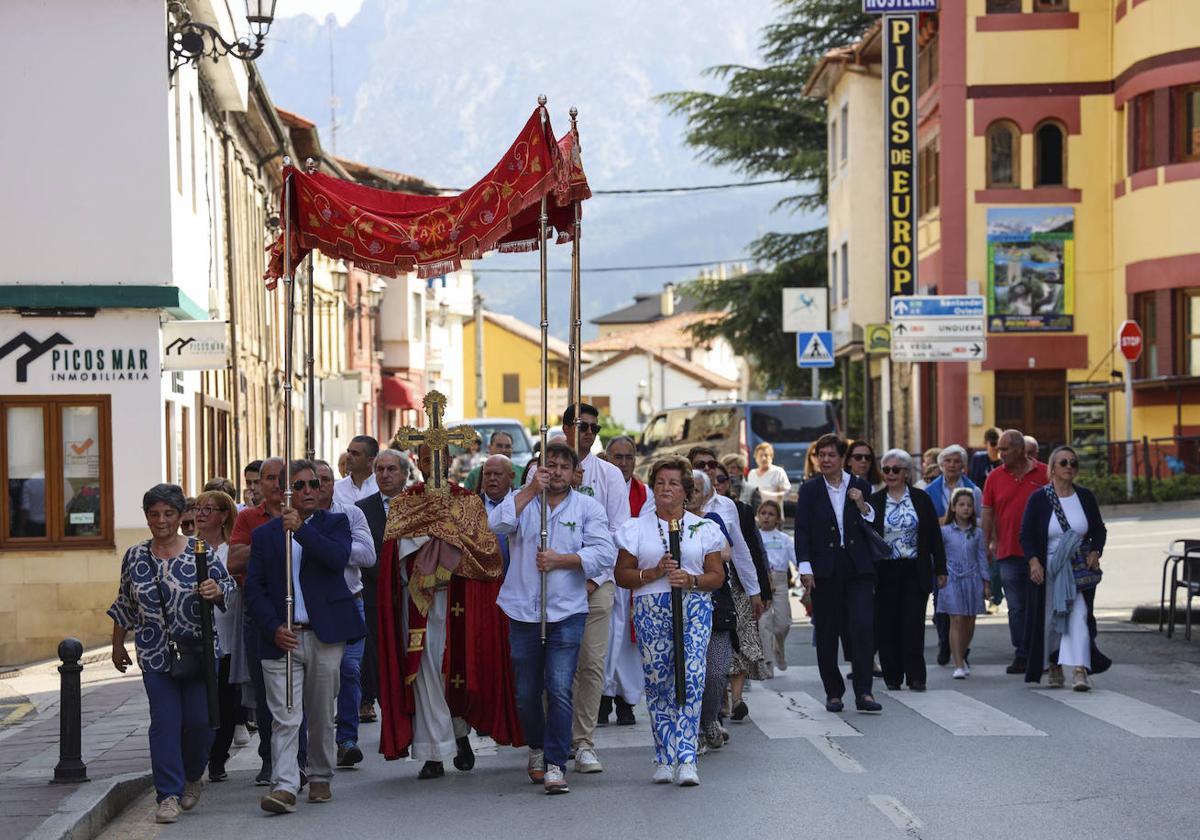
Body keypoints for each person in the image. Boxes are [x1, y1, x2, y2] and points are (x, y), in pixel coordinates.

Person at [375, 443, 520, 779]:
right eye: (428, 460)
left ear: (451, 462)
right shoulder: (405, 502)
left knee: (452, 670)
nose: (434, 465)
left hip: (459, 598)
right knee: (424, 671)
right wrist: (427, 539)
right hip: (418, 598)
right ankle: (434, 753)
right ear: (420, 463)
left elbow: (486, 554)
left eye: (441, 459)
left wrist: (446, 537)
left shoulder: (468, 501)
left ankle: (458, 731)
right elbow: (393, 551)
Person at [490, 442, 614, 794]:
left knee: (560, 686)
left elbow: (604, 552)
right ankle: (537, 746)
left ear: (575, 473)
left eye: (563, 466)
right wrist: (530, 489)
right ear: (537, 469)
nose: (556, 471)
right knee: (526, 692)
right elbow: (495, 524)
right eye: (550, 465)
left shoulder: (588, 507)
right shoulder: (525, 502)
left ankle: (557, 762)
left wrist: (564, 560)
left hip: (567, 610)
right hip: (523, 610)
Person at [244, 459, 365, 814]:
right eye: (299, 487)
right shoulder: (265, 535)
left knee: (320, 713)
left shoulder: (335, 524)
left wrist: (302, 531)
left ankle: (320, 775)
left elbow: (336, 558)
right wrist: (273, 627)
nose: (309, 491)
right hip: (283, 638)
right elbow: (255, 589)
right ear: (286, 493)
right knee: (285, 715)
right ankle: (284, 785)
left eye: (314, 484)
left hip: (324, 635)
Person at [108, 483, 233, 824]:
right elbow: (124, 602)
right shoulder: (135, 556)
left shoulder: (200, 550)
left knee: (200, 722)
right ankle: (168, 795)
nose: (161, 521)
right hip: (154, 654)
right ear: (147, 517)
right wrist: (118, 644)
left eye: (168, 514)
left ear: (180, 517)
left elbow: (230, 589)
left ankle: (193, 775)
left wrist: (216, 589)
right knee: (165, 723)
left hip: (199, 651)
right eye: (154, 514)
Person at [614, 458, 726, 786]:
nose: (666, 488)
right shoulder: (637, 527)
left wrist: (690, 580)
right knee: (659, 682)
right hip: (651, 607)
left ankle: (687, 757)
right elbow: (622, 575)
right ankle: (664, 755)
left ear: (685, 490)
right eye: (660, 482)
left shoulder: (703, 528)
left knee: (691, 678)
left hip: (693, 608)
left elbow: (716, 576)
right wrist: (652, 573)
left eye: (673, 483)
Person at [529, 402, 627, 774]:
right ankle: (548, 740)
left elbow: (618, 532)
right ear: (566, 427)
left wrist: (591, 577)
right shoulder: (542, 470)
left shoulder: (610, 475)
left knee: (590, 664)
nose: (587, 433)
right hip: (550, 582)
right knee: (552, 667)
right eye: (581, 426)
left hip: (596, 581)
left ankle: (583, 740)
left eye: (593, 428)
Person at [794, 434, 881, 714]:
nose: (826, 460)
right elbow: (802, 532)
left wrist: (861, 503)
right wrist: (805, 568)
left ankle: (864, 692)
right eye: (822, 455)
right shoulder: (809, 490)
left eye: (832, 455)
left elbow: (873, 521)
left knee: (862, 629)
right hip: (825, 570)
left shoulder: (860, 485)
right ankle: (834, 692)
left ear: (843, 458)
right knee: (827, 632)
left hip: (857, 567)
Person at [1021, 445, 1110, 691]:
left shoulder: (1085, 497)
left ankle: (1080, 669)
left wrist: (1095, 551)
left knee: (1079, 615)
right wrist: (1033, 562)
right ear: (1052, 469)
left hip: (1078, 568)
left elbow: (1099, 530)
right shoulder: (1039, 499)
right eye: (1064, 463)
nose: (1069, 466)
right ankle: (1054, 665)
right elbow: (1026, 535)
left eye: (1073, 463)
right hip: (1049, 567)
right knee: (1052, 618)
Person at [227, 457, 290, 786]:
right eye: (269, 478)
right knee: (267, 694)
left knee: (298, 693)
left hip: (299, 614)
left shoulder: (305, 515)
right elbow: (234, 560)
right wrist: (272, 540)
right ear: (260, 484)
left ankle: (300, 757)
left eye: (282, 477)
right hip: (261, 614)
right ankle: (269, 757)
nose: (276, 484)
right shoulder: (248, 517)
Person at [314, 460, 377, 769]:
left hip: (350, 601)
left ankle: (347, 740)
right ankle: (319, 740)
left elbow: (368, 555)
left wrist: (332, 547)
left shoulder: (350, 513)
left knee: (350, 670)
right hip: (314, 608)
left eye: (325, 479)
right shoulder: (299, 519)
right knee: (320, 677)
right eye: (314, 481)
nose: (320, 486)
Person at [869, 450, 947, 692]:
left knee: (913, 623)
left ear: (906, 473)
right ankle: (892, 675)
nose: (890, 474)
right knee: (887, 624)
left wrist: (941, 568)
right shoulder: (875, 501)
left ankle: (916, 676)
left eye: (895, 469)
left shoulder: (921, 499)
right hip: (885, 570)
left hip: (915, 568)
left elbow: (934, 535)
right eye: (886, 469)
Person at [982, 429, 1049, 674]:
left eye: (1005, 449)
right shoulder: (995, 477)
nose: (1000, 454)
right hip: (1008, 550)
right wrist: (986, 544)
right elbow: (988, 512)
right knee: (1017, 606)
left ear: (1020, 450)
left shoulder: (1044, 473)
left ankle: (1038, 652)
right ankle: (1022, 652)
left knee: (1038, 604)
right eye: (999, 449)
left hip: (1040, 553)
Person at [355, 448, 410, 725]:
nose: (385, 475)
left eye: (391, 469)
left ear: (405, 474)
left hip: (413, 595)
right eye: (380, 469)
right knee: (375, 653)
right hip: (375, 593)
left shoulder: (418, 504)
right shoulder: (362, 509)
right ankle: (376, 699)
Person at [712, 460, 772, 714]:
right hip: (712, 584)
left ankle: (736, 698)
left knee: (743, 639)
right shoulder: (690, 511)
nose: (717, 484)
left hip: (737, 584)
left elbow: (752, 551)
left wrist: (759, 591)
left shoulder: (740, 510)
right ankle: (721, 699)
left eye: (722, 479)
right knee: (720, 639)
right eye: (712, 479)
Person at [193, 489, 243, 783]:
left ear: (223, 515)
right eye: (198, 508)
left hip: (225, 631)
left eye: (208, 509)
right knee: (199, 698)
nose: (200, 514)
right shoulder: (187, 547)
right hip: (196, 637)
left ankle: (218, 758)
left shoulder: (229, 549)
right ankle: (199, 753)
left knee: (223, 699)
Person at [600, 435, 645, 726]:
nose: (624, 463)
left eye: (629, 457)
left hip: (633, 577)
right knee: (603, 641)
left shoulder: (646, 494)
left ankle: (626, 701)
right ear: (607, 458)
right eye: (618, 457)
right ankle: (601, 701)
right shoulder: (599, 486)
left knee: (628, 646)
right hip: (604, 571)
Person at [925, 444, 983, 666]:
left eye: (957, 461)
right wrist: (944, 523)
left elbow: (980, 520)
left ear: (963, 466)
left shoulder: (974, 490)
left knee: (966, 605)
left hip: (966, 550)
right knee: (942, 600)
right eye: (948, 461)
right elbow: (926, 522)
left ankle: (962, 649)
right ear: (940, 465)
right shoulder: (929, 491)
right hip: (939, 552)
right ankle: (944, 643)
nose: (952, 465)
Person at [937, 488, 989, 679]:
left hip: (973, 577)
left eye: (969, 505)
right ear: (953, 507)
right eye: (961, 504)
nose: (965, 508)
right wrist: (938, 573)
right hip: (952, 577)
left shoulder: (978, 533)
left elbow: (982, 557)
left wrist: (986, 582)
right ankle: (957, 663)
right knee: (956, 619)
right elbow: (938, 555)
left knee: (969, 620)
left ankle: (963, 654)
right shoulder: (944, 531)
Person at [756, 500, 795, 673]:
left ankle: (777, 646)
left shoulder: (785, 539)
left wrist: (805, 575)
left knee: (782, 624)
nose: (766, 517)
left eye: (771, 514)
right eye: (763, 513)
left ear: (778, 518)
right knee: (763, 623)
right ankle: (768, 663)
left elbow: (797, 560)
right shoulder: (755, 536)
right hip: (762, 582)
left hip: (779, 581)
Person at [334, 435, 379, 506]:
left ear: (370, 461)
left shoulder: (381, 487)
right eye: (348, 451)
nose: (348, 456)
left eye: (355, 454)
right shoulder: (337, 488)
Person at [745, 442, 790, 511]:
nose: (763, 458)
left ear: (771, 457)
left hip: (773, 514)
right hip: (755, 515)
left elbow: (787, 495)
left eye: (766, 455)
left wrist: (766, 495)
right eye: (760, 455)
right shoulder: (752, 473)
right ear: (755, 457)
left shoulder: (778, 472)